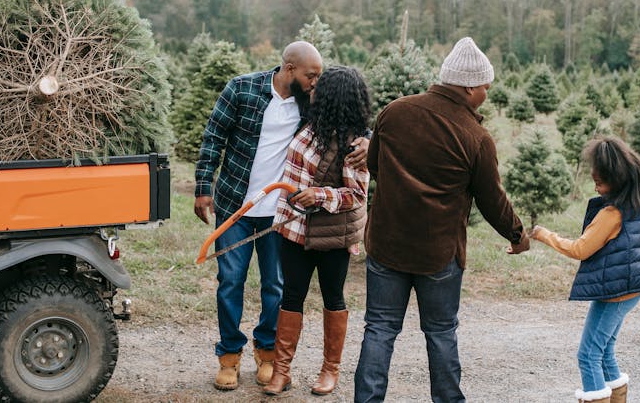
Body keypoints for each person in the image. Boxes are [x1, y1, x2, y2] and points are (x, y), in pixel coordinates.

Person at [353, 37, 530, 403]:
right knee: (441, 332)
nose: (487, 93)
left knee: (380, 329)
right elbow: (491, 198)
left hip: (387, 245)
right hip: (439, 254)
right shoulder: (475, 136)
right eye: (485, 86)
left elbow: (374, 167)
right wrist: (517, 234)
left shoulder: (394, 111)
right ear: (468, 87)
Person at [194, 41, 368, 390]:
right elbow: (213, 136)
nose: (316, 82)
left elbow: (347, 119)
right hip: (236, 204)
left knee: (275, 285)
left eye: (319, 77)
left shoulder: (311, 104)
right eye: (311, 75)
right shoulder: (241, 89)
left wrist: (369, 139)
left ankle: (268, 353)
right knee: (231, 281)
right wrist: (202, 187)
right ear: (290, 69)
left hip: (282, 214)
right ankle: (229, 356)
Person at [264, 66, 371, 397]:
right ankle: (282, 371)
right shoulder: (312, 125)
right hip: (293, 228)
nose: (312, 90)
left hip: (331, 236)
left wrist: (320, 195)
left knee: (332, 297)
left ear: (333, 98)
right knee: (291, 296)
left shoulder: (355, 145)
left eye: (319, 89)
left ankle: (330, 371)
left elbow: (356, 196)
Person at [530, 136, 640, 403]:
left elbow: (580, 249)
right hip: (630, 289)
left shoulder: (612, 213)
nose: (596, 188)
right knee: (605, 350)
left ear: (617, 178)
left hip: (616, 292)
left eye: (600, 182)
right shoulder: (636, 202)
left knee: (588, 354)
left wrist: (544, 234)